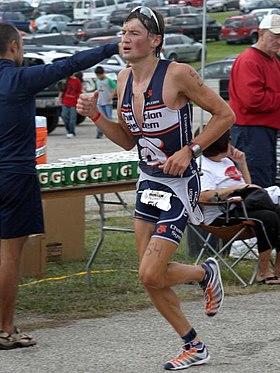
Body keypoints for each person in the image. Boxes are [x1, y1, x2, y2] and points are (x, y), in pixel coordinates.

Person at [77, 6, 235, 370]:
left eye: (134, 33)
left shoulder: (178, 74)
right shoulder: (122, 78)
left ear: (155, 40)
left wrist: (190, 149)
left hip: (180, 184)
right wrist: (95, 116)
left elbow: (226, 114)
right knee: (151, 278)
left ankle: (204, 273)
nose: (125, 39)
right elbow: (128, 140)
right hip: (148, 181)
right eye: (123, 33)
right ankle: (193, 345)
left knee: (150, 273)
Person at [0, 23, 119, 350]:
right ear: (13, 47)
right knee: (8, 256)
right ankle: (4, 329)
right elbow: (69, 64)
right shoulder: (19, 79)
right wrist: (111, 47)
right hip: (14, 177)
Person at [199, 130, 280, 285]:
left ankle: (278, 270)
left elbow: (247, 188)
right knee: (268, 217)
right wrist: (233, 190)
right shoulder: (203, 166)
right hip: (220, 215)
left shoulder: (227, 161)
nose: (232, 144)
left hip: (242, 207)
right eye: (229, 141)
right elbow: (202, 197)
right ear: (220, 144)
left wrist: (242, 164)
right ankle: (263, 272)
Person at [229, 14, 280, 188]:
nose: (279, 41)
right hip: (251, 131)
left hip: (264, 131)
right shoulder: (249, 60)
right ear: (261, 33)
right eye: (275, 36)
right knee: (256, 183)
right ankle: (257, 215)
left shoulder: (272, 59)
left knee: (268, 178)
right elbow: (252, 100)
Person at [94, 65, 117, 139]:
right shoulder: (97, 81)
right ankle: (99, 132)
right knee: (100, 118)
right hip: (100, 102)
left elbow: (114, 87)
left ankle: (112, 132)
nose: (99, 76)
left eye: (99, 75)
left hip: (107, 102)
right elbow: (95, 89)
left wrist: (111, 95)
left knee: (109, 117)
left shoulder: (108, 80)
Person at [60, 73, 83, 138]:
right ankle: (68, 129)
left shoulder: (77, 81)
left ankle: (71, 131)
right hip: (65, 101)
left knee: (72, 118)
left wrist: (79, 100)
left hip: (73, 102)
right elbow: (62, 89)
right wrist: (59, 98)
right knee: (64, 116)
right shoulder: (66, 80)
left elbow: (79, 91)